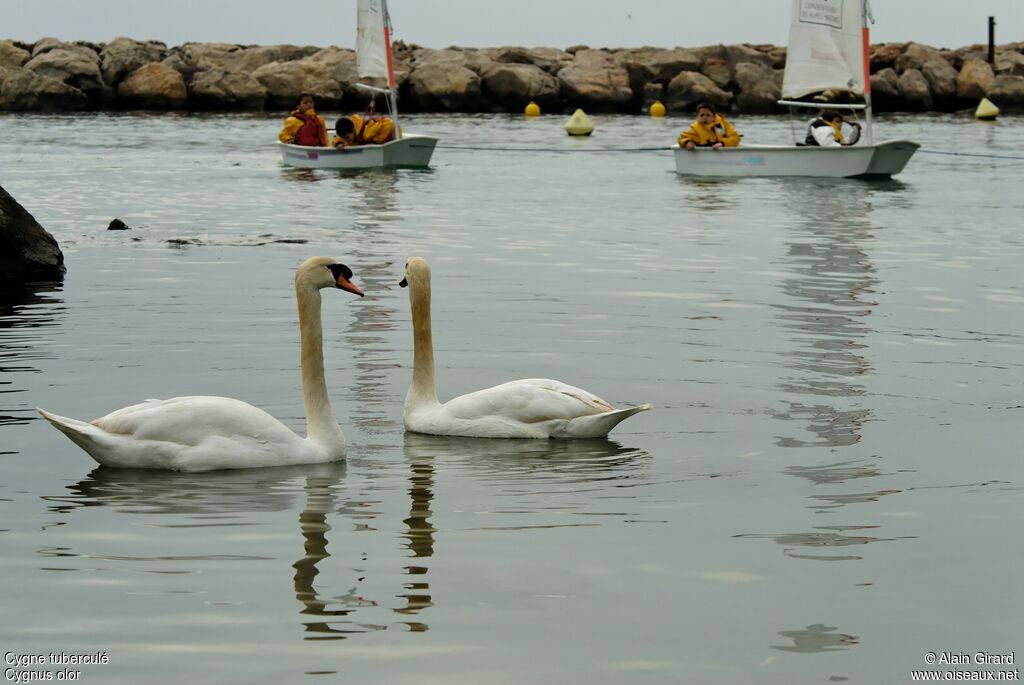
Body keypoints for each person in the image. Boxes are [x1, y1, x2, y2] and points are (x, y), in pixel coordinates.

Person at [332, 110, 396, 149]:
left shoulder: (367, 133)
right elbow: (336, 139)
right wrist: (338, 143)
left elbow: (389, 124)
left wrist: (376, 142)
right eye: (344, 138)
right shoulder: (348, 130)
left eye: (347, 137)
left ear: (353, 130)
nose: (346, 140)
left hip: (395, 136)